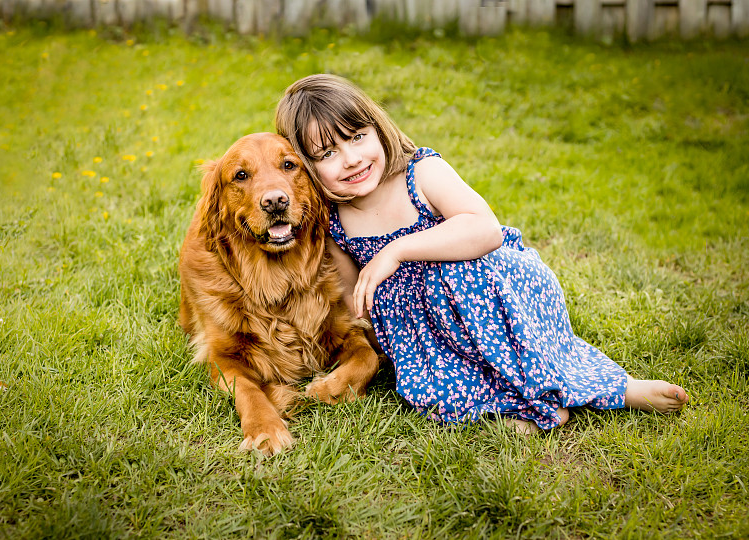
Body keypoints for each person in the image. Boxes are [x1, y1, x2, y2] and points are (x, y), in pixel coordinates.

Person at [275, 74, 688, 433]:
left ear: (376, 126)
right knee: (428, 388)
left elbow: (484, 229)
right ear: (305, 168)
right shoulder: (335, 219)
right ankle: (513, 411)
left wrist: (396, 251)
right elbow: (353, 296)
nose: (351, 159)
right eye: (327, 154)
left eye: (357, 137)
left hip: (494, 293)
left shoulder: (421, 172)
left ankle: (616, 389)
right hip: (426, 329)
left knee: (457, 282)